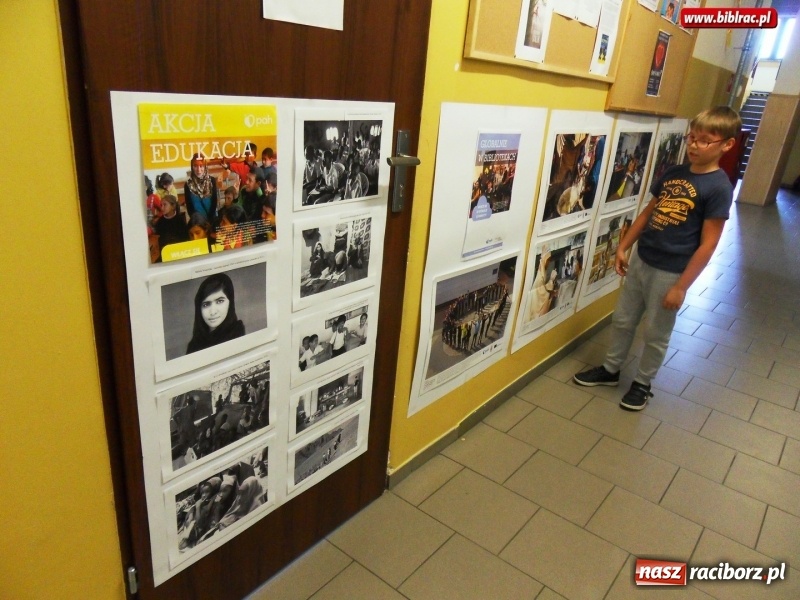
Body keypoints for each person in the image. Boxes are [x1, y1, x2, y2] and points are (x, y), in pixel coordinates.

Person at [573, 106, 741, 410]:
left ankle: (642, 383)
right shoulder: (674, 173)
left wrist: (682, 287)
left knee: (655, 332)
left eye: (705, 140)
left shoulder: (718, 187)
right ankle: (610, 370)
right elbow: (649, 212)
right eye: (692, 137)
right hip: (642, 259)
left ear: (726, 145)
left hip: (671, 271)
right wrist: (624, 246)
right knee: (623, 320)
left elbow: (709, 244)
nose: (694, 145)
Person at [186, 273, 245, 354]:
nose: (213, 312)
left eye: (220, 301)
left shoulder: (237, 336)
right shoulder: (194, 345)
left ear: (230, 302)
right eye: (206, 304)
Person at [184, 153, 218, 225]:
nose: (198, 169)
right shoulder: (187, 185)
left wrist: (210, 220)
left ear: (205, 166)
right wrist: (197, 220)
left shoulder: (212, 181)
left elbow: (214, 201)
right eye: (195, 166)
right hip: (197, 222)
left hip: (211, 220)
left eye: (201, 166)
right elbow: (189, 207)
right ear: (192, 167)